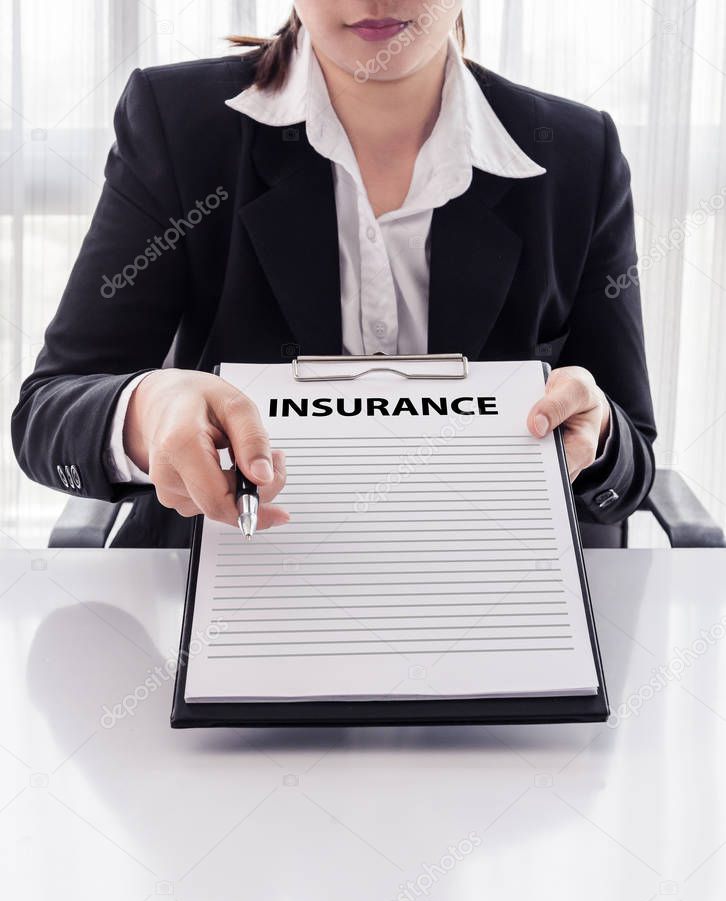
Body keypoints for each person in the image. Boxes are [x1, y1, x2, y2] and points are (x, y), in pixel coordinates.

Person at [12, 2, 656, 549]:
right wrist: (147, 413)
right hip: (232, 579)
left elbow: (632, 450)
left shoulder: (577, 153)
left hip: (486, 596)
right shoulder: (179, 123)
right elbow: (46, 414)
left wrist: (597, 438)